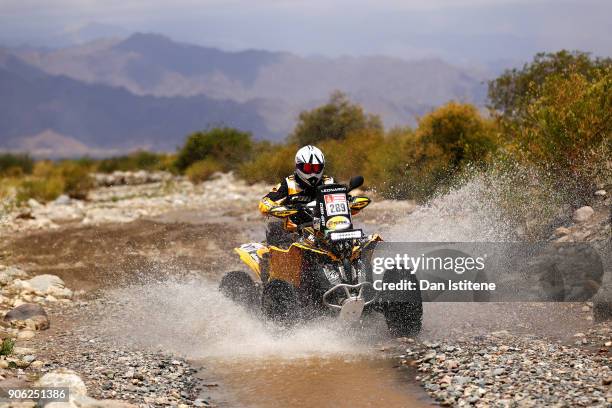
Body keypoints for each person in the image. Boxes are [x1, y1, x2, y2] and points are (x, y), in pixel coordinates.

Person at [259, 145, 334, 246]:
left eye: (316, 168)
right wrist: (285, 208)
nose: (312, 173)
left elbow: (345, 203)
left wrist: (350, 201)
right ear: (299, 166)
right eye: (308, 168)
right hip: (294, 234)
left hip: (326, 229)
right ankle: (275, 255)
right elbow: (264, 202)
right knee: (275, 227)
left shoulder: (329, 182)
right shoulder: (289, 184)